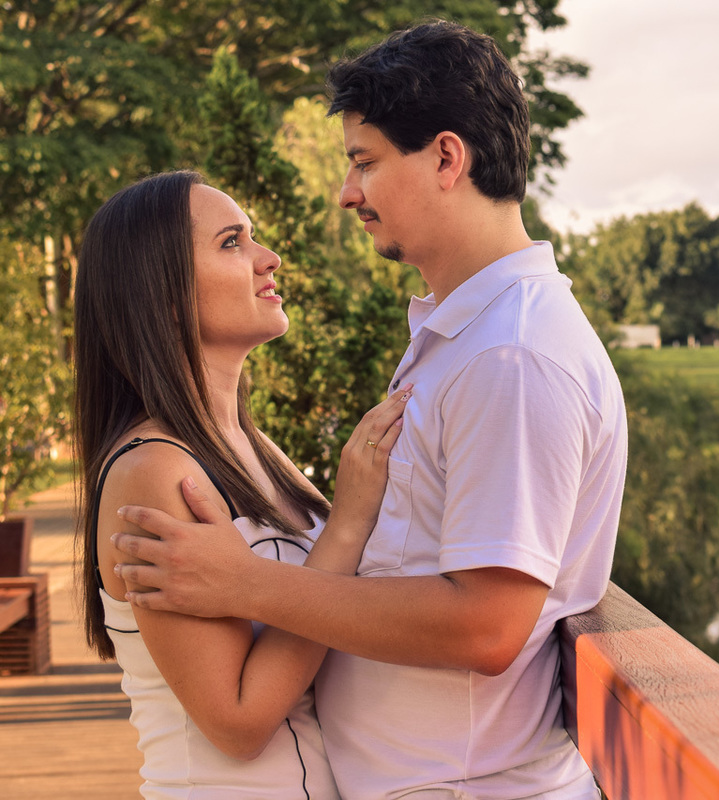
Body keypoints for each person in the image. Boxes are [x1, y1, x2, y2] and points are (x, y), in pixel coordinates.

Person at [111, 20, 629, 800]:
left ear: (447, 158)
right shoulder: (459, 338)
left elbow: (486, 627)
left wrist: (244, 584)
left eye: (364, 162)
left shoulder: (510, 356)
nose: (347, 191)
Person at [75, 169, 411, 798]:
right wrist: (348, 519)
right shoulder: (154, 470)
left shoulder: (255, 451)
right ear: (163, 292)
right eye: (232, 242)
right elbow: (236, 721)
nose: (268, 259)